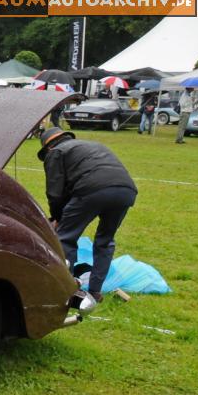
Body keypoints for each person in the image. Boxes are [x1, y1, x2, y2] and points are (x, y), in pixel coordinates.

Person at [38, 127, 137, 302]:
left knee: (66, 238)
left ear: (48, 148)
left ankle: (66, 291)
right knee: (105, 242)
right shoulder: (92, 146)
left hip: (92, 189)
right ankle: (94, 292)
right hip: (126, 191)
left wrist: (58, 219)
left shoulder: (56, 152)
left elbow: (55, 193)